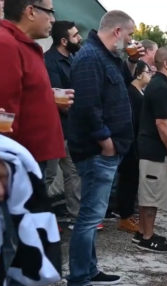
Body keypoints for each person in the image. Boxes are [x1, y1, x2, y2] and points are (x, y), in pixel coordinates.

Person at [67, 10, 143, 286]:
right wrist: (105, 140)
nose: (132, 40)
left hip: (108, 148)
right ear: (117, 31)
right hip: (98, 150)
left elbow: (120, 84)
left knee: (94, 213)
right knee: (89, 216)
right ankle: (78, 280)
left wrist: (132, 60)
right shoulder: (89, 58)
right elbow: (87, 105)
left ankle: (90, 269)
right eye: (131, 34)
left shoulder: (106, 56)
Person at [0, 0, 68, 286]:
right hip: (15, 163)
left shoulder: (21, 45)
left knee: (22, 234)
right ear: (30, 10)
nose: (52, 19)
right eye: (49, 11)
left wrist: (47, 96)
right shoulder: (6, 43)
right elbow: (3, 109)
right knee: (12, 237)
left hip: (27, 158)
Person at [136, 46, 167, 253]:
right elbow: (162, 123)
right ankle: (147, 237)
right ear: (166, 63)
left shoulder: (161, 85)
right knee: (151, 196)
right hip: (155, 150)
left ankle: (143, 231)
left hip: (152, 148)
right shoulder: (161, 88)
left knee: (150, 194)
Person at [44, 20, 82, 225]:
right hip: (54, 128)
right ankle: (37, 217)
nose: (80, 38)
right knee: (48, 175)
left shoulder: (75, 58)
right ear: (64, 40)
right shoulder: (49, 61)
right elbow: (58, 99)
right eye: (75, 35)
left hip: (71, 128)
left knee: (72, 173)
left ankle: (76, 216)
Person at [116, 60, 152, 234]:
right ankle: (125, 216)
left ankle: (129, 214)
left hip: (139, 141)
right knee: (128, 180)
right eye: (147, 71)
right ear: (138, 74)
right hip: (131, 142)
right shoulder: (132, 93)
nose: (150, 75)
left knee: (132, 180)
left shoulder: (139, 92)